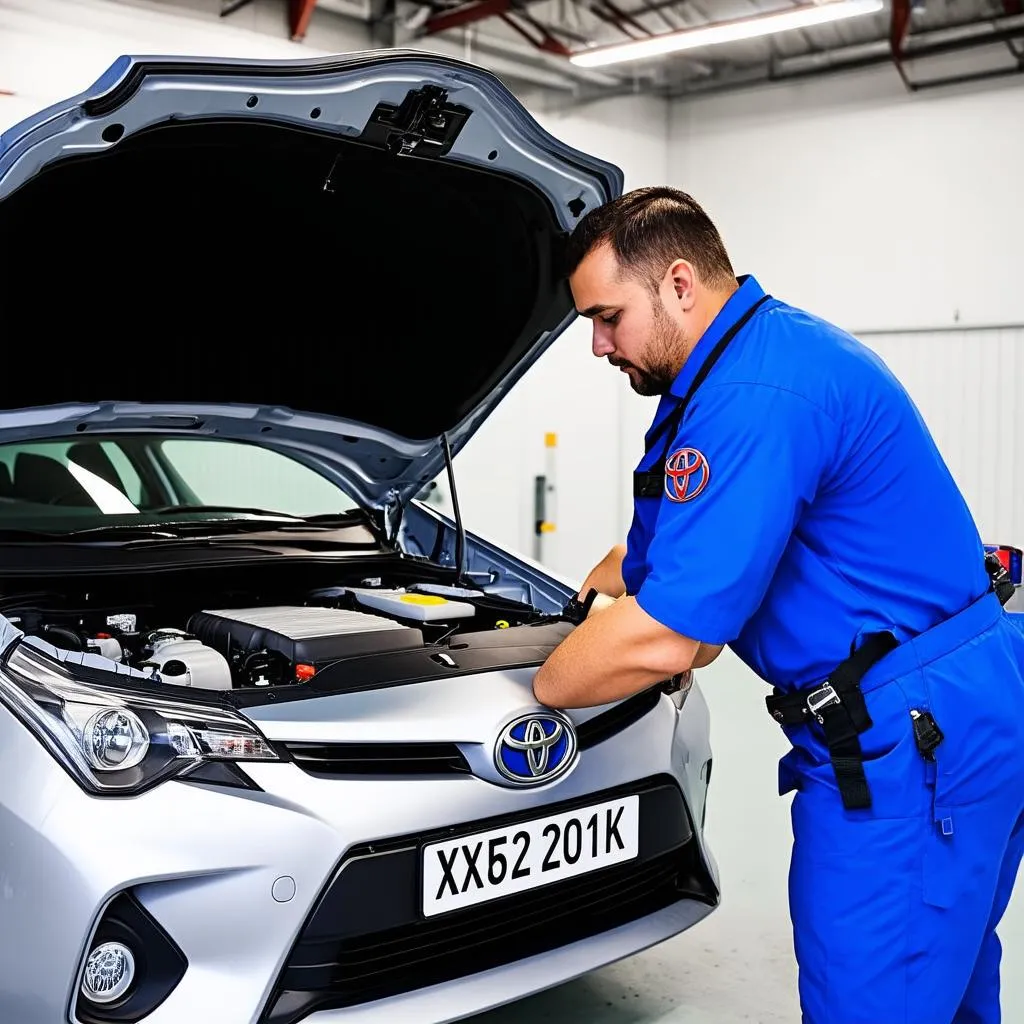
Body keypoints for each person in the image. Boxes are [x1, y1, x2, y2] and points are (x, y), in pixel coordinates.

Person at [531, 186, 1024, 1024]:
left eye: (608, 317)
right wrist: (624, 570)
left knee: (877, 995)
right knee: (942, 976)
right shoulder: (751, 366)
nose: (596, 345)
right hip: (959, 706)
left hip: (908, 745)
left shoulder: (753, 398)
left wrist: (530, 689)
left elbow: (670, 642)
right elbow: (679, 568)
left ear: (679, 284)